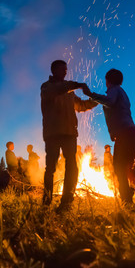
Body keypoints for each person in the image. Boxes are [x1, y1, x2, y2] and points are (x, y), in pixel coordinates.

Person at [41, 60, 97, 211]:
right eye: (62, 70)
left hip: (69, 133)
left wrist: (96, 100)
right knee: (50, 168)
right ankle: (46, 201)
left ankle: (67, 201)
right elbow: (58, 89)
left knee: (71, 165)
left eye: (66, 70)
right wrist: (79, 85)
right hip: (52, 133)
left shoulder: (69, 92)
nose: (65, 72)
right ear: (54, 71)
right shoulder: (47, 87)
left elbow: (82, 105)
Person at [83, 68, 135, 206]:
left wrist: (90, 94)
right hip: (131, 132)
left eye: (106, 80)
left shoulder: (114, 90)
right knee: (126, 167)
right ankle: (134, 194)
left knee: (119, 167)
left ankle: (126, 199)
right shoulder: (122, 92)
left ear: (108, 80)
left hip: (125, 133)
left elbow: (109, 102)